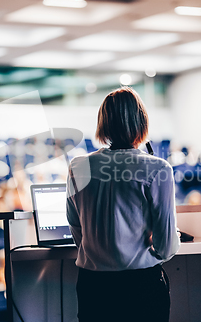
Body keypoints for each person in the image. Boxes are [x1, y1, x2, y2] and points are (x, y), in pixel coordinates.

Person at [66, 87, 180, 322]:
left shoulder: (78, 166)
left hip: (92, 285)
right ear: (142, 123)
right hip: (140, 286)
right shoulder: (158, 168)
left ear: (103, 123)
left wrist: (100, 251)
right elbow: (166, 247)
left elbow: (75, 226)